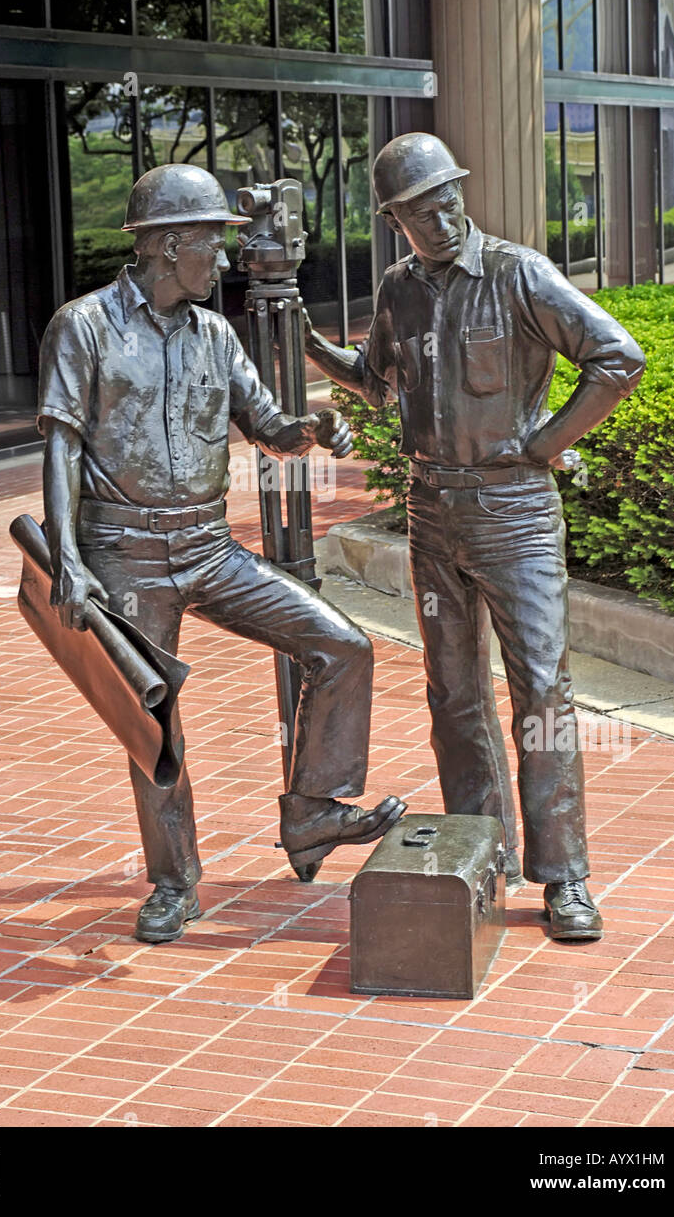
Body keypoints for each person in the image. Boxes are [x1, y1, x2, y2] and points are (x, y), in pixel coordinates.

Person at [37, 163, 405, 944]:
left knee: (342, 646)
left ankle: (312, 812)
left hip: (207, 546)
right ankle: (174, 883)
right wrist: (67, 556)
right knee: (154, 724)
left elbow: (269, 426)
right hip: (123, 552)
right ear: (169, 246)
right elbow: (62, 446)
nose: (228, 261)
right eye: (214, 244)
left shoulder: (215, 333)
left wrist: (316, 431)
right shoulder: (85, 326)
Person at [303, 133, 646, 941]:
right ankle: (478, 848)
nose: (444, 218)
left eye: (449, 198)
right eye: (423, 211)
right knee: (454, 696)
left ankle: (564, 877)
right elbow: (381, 383)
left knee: (542, 696)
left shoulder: (519, 273)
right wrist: (316, 349)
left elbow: (617, 358)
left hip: (515, 517)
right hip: (432, 516)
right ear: (397, 222)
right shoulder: (399, 289)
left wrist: (545, 444)